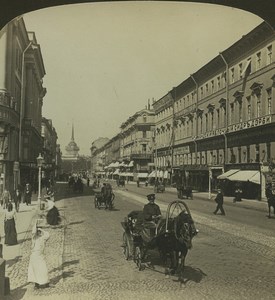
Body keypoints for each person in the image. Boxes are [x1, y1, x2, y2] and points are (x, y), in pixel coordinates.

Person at [28, 223, 50, 289]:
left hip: (41, 256)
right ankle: (36, 284)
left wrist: (41, 229)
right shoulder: (34, 238)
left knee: (44, 269)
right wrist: (36, 226)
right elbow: (33, 232)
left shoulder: (43, 238)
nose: (38, 232)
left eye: (39, 231)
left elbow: (48, 235)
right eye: (37, 231)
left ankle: (46, 283)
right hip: (34, 256)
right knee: (35, 270)